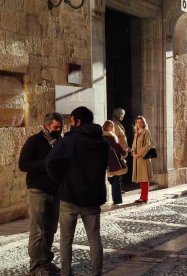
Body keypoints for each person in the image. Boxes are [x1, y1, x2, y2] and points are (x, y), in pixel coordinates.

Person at [46, 106, 109, 276]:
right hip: (93, 196)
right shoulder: (103, 142)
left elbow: (50, 162)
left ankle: (66, 273)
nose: (70, 124)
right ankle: (97, 273)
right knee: (94, 238)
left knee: (66, 239)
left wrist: (60, 181)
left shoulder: (69, 140)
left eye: (71, 120)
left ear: (78, 121)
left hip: (70, 196)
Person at [19, 112, 64, 275]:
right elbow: (23, 165)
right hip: (38, 189)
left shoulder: (60, 141)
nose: (59, 130)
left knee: (50, 229)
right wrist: (46, 164)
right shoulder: (34, 141)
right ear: (46, 126)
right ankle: (35, 267)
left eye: (61, 127)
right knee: (38, 230)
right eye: (56, 127)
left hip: (55, 190)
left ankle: (45, 262)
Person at [102, 120, 128, 205]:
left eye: (112, 126)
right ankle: (117, 199)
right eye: (110, 126)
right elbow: (116, 146)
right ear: (106, 127)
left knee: (112, 179)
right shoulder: (109, 136)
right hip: (114, 160)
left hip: (108, 159)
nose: (112, 128)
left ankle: (111, 198)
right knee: (116, 179)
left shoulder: (104, 136)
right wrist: (124, 152)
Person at [131, 116, 153, 203]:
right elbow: (133, 145)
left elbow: (148, 145)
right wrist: (133, 153)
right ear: (136, 123)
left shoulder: (146, 132)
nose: (139, 124)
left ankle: (144, 197)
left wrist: (139, 154)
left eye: (141, 122)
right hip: (136, 158)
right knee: (140, 177)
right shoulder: (136, 132)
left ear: (144, 123)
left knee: (144, 178)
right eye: (138, 122)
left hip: (143, 158)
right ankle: (142, 196)